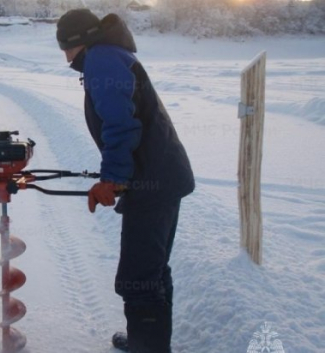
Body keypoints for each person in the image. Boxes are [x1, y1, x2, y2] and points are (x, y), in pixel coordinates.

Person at [56, 9, 195, 353]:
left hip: (153, 182)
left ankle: (147, 348)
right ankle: (147, 343)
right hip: (161, 177)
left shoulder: (101, 59)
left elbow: (121, 126)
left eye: (64, 47)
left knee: (138, 280)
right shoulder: (111, 55)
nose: (64, 56)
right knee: (152, 270)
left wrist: (112, 179)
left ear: (76, 42)